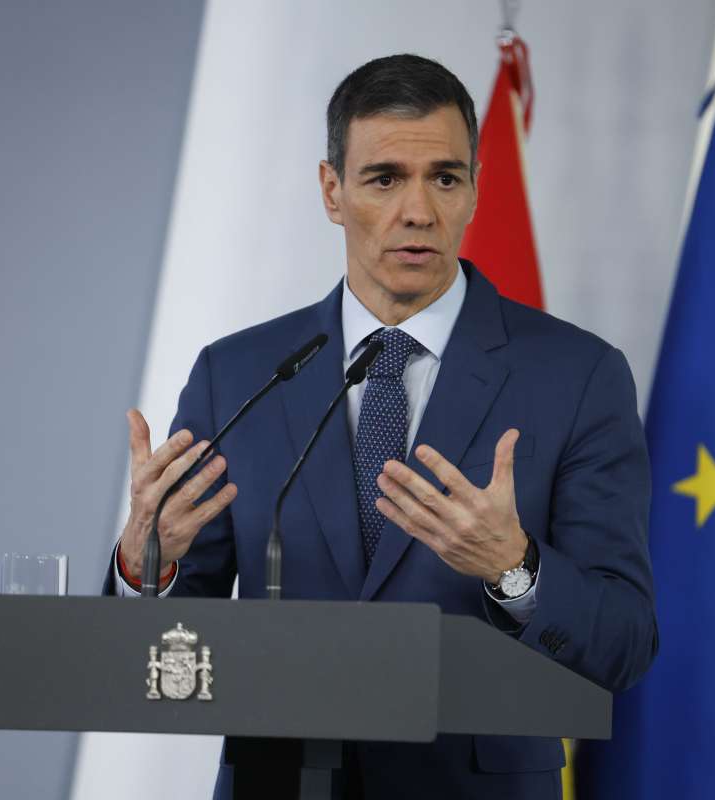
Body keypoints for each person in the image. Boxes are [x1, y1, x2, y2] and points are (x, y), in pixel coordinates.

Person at [103, 53, 657, 800]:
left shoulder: (577, 376)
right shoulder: (238, 375)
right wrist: (150, 563)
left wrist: (513, 567)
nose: (418, 211)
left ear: (475, 189)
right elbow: (155, 651)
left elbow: (623, 643)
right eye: (385, 179)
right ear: (332, 191)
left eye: (445, 178)